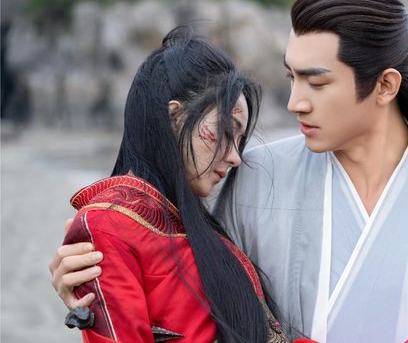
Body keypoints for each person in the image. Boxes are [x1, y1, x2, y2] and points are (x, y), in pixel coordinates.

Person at [50, 0, 408, 342]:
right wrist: (86, 279)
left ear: (385, 85)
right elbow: (174, 277)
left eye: (316, 82)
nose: (295, 102)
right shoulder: (255, 180)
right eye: (291, 77)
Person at [54, 25, 298, 342]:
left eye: (240, 140)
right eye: (227, 132)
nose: (235, 157)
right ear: (175, 117)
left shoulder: (193, 223)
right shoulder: (109, 226)